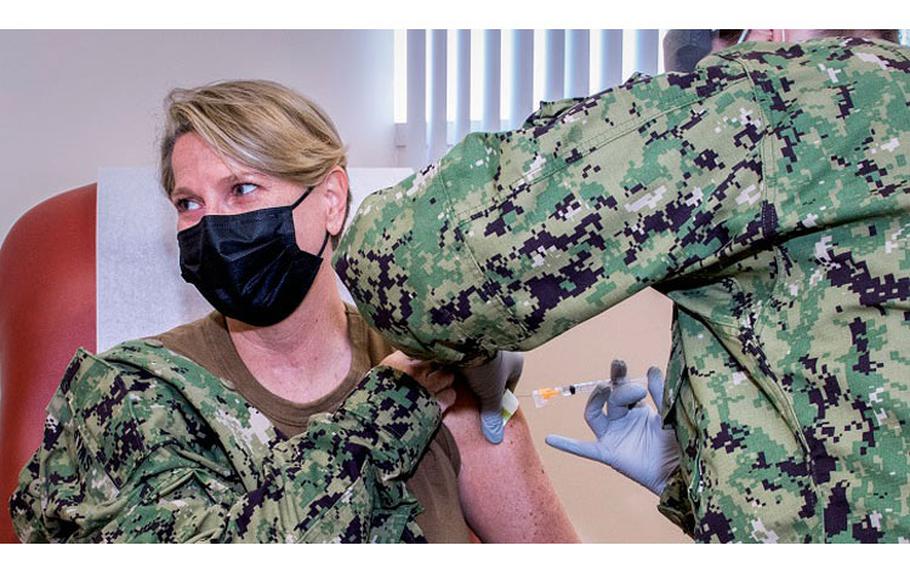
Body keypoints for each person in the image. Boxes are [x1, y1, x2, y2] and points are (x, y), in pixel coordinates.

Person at [334, 30, 910, 542]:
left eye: (713, 42)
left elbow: (396, 265)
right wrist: (703, 481)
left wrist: (468, 341)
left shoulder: (761, 102)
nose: (701, 72)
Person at [8, 80, 577, 543]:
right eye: (189, 203)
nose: (211, 225)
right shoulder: (130, 395)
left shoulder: (437, 367)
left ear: (330, 200)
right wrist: (387, 413)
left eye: (243, 189)